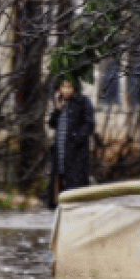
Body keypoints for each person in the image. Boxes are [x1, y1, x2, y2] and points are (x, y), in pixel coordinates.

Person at [47, 77, 95, 205]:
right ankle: (58, 204)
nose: (66, 90)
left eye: (69, 87)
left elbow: (89, 124)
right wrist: (57, 109)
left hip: (76, 152)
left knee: (75, 181)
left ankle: (76, 205)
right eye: (63, 87)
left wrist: (76, 139)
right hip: (61, 150)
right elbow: (52, 123)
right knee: (60, 178)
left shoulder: (83, 102)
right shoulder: (61, 104)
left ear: (75, 88)